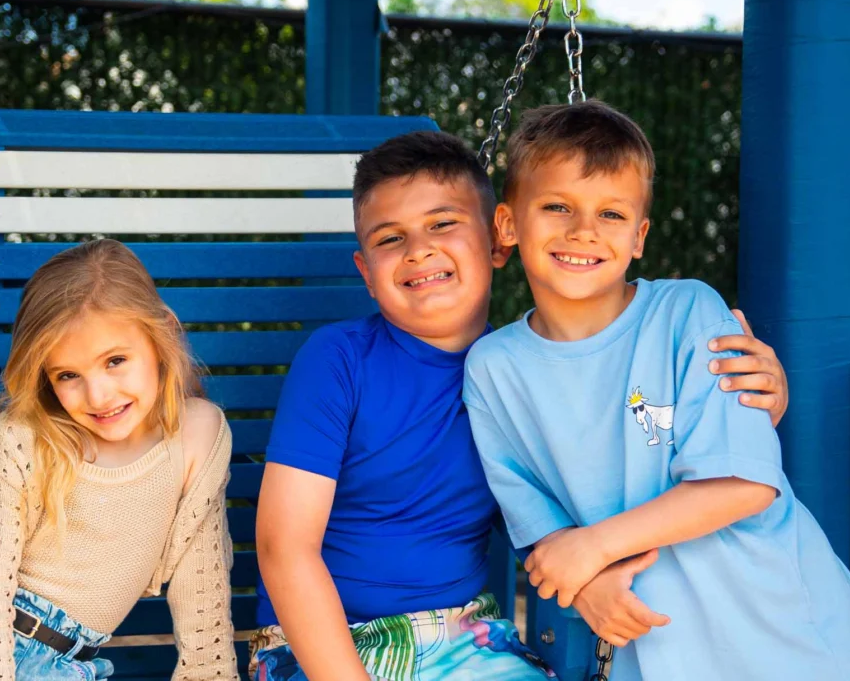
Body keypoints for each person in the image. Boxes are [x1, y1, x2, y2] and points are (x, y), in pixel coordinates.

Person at [253, 129, 792, 681]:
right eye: (390, 238)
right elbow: (283, 546)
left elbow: (581, 492)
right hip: (321, 645)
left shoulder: (522, 376)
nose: (419, 249)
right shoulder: (339, 360)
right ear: (366, 273)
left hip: (465, 641)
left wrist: (747, 403)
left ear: (497, 241)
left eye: (442, 224)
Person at [462, 101, 850, 679]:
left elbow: (744, 486)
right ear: (507, 224)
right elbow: (538, 523)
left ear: (639, 236)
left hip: (782, 630)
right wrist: (588, 585)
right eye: (557, 206)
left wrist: (595, 547)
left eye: (611, 213)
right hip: (656, 645)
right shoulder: (493, 367)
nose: (583, 230)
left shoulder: (689, 311)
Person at [0, 239, 237, 681]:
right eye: (68, 375)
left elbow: (203, 587)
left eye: (115, 361)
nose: (98, 396)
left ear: (162, 336)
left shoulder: (200, 434)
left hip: (67, 663)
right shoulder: (26, 437)